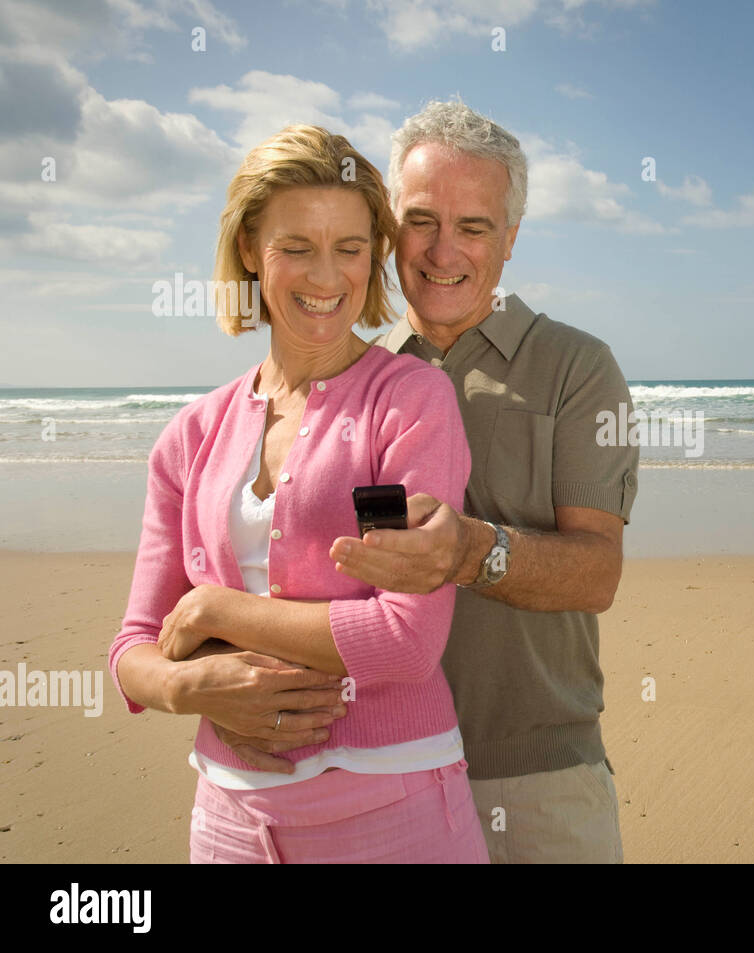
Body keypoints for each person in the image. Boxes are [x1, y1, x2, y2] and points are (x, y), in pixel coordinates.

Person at [215, 101, 640, 863]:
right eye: (421, 221)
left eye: (474, 226)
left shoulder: (579, 368)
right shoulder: (348, 375)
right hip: (374, 775)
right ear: (388, 229)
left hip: (535, 776)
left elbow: (598, 570)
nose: (445, 251)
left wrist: (469, 550)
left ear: (509, 240)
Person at [108, 124, 487, 864]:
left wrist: (216, 610)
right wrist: (196, 687)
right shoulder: (191, 434)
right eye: (296, 247)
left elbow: (407, 639)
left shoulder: (408, 402)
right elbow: (134, 647)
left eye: (350, 248)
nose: (327, 277)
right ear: (250, 248)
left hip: (393, 807)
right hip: (226, 821)